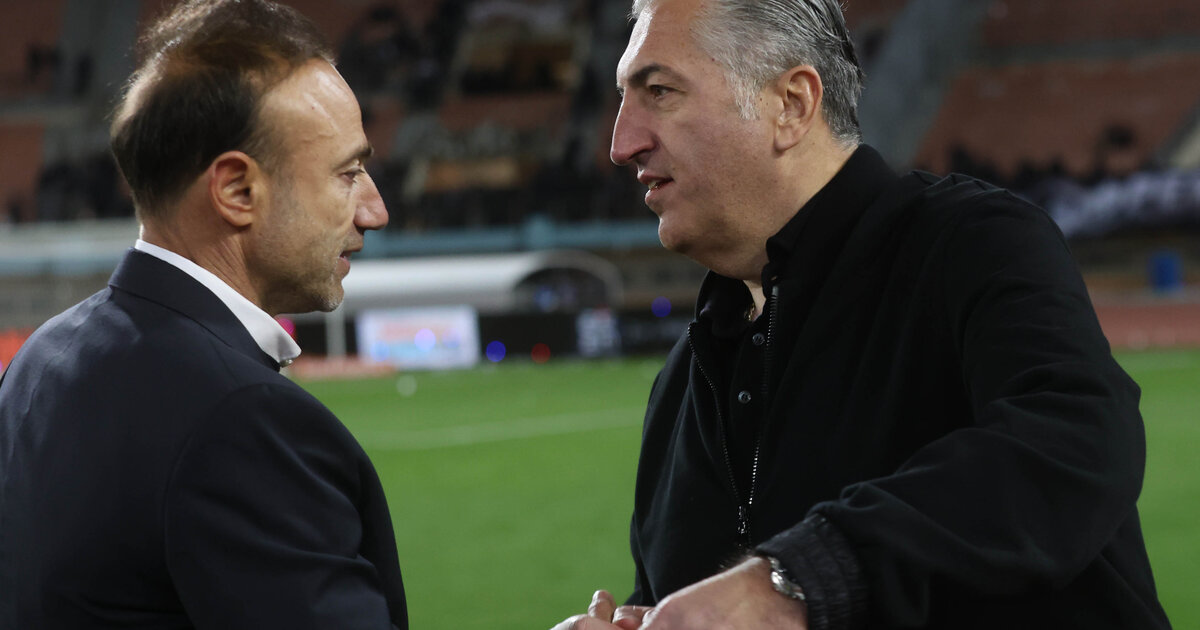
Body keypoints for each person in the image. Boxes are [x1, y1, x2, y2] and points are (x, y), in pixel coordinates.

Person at [556, 0, 1172, 628]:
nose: (621, 144)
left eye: (659, 91)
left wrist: (796, 581)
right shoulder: (682, 382)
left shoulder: (970, 243)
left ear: (791, 104)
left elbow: (1078, 443)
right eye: (624, 99)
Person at [0, 1, 406, 628]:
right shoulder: (243, 419)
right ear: (237, 190)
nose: (374, 211)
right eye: (348, 173)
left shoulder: (40, 358)